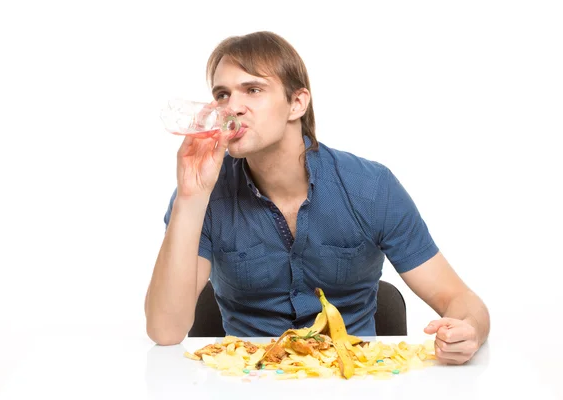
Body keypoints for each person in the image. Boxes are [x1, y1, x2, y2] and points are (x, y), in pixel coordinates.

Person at [145, 31, 490, 365]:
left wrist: (468, 330)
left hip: (352, 380)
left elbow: (459, 299)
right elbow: (165, 330)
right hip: (248, 381)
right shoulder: (206, 195)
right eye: (221, 95)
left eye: (252, 89)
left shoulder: (371, 188)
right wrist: (191, 197)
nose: (231, 107)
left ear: (297, 103)